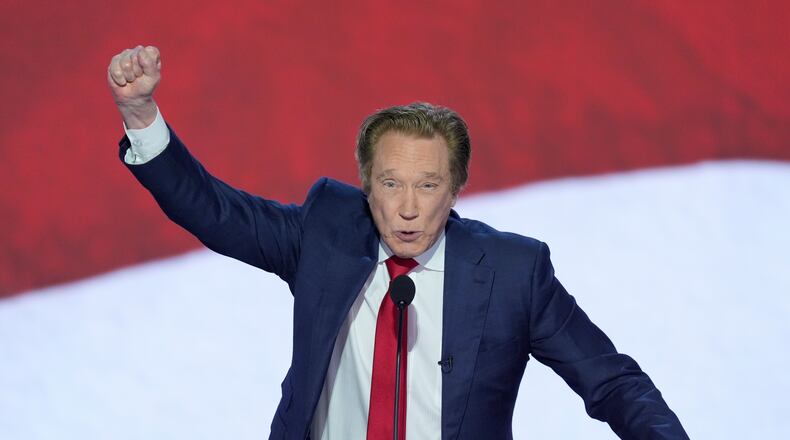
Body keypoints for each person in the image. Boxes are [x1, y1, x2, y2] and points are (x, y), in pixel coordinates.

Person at [108, 45, 688, 440]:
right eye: (391, 184)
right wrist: (140, 112)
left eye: (428, 185)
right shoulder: (325, 234)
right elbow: (213, 210)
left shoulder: (514, 272)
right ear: (367, 185)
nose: (408, 207)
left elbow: (612, 381)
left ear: (457, 188)